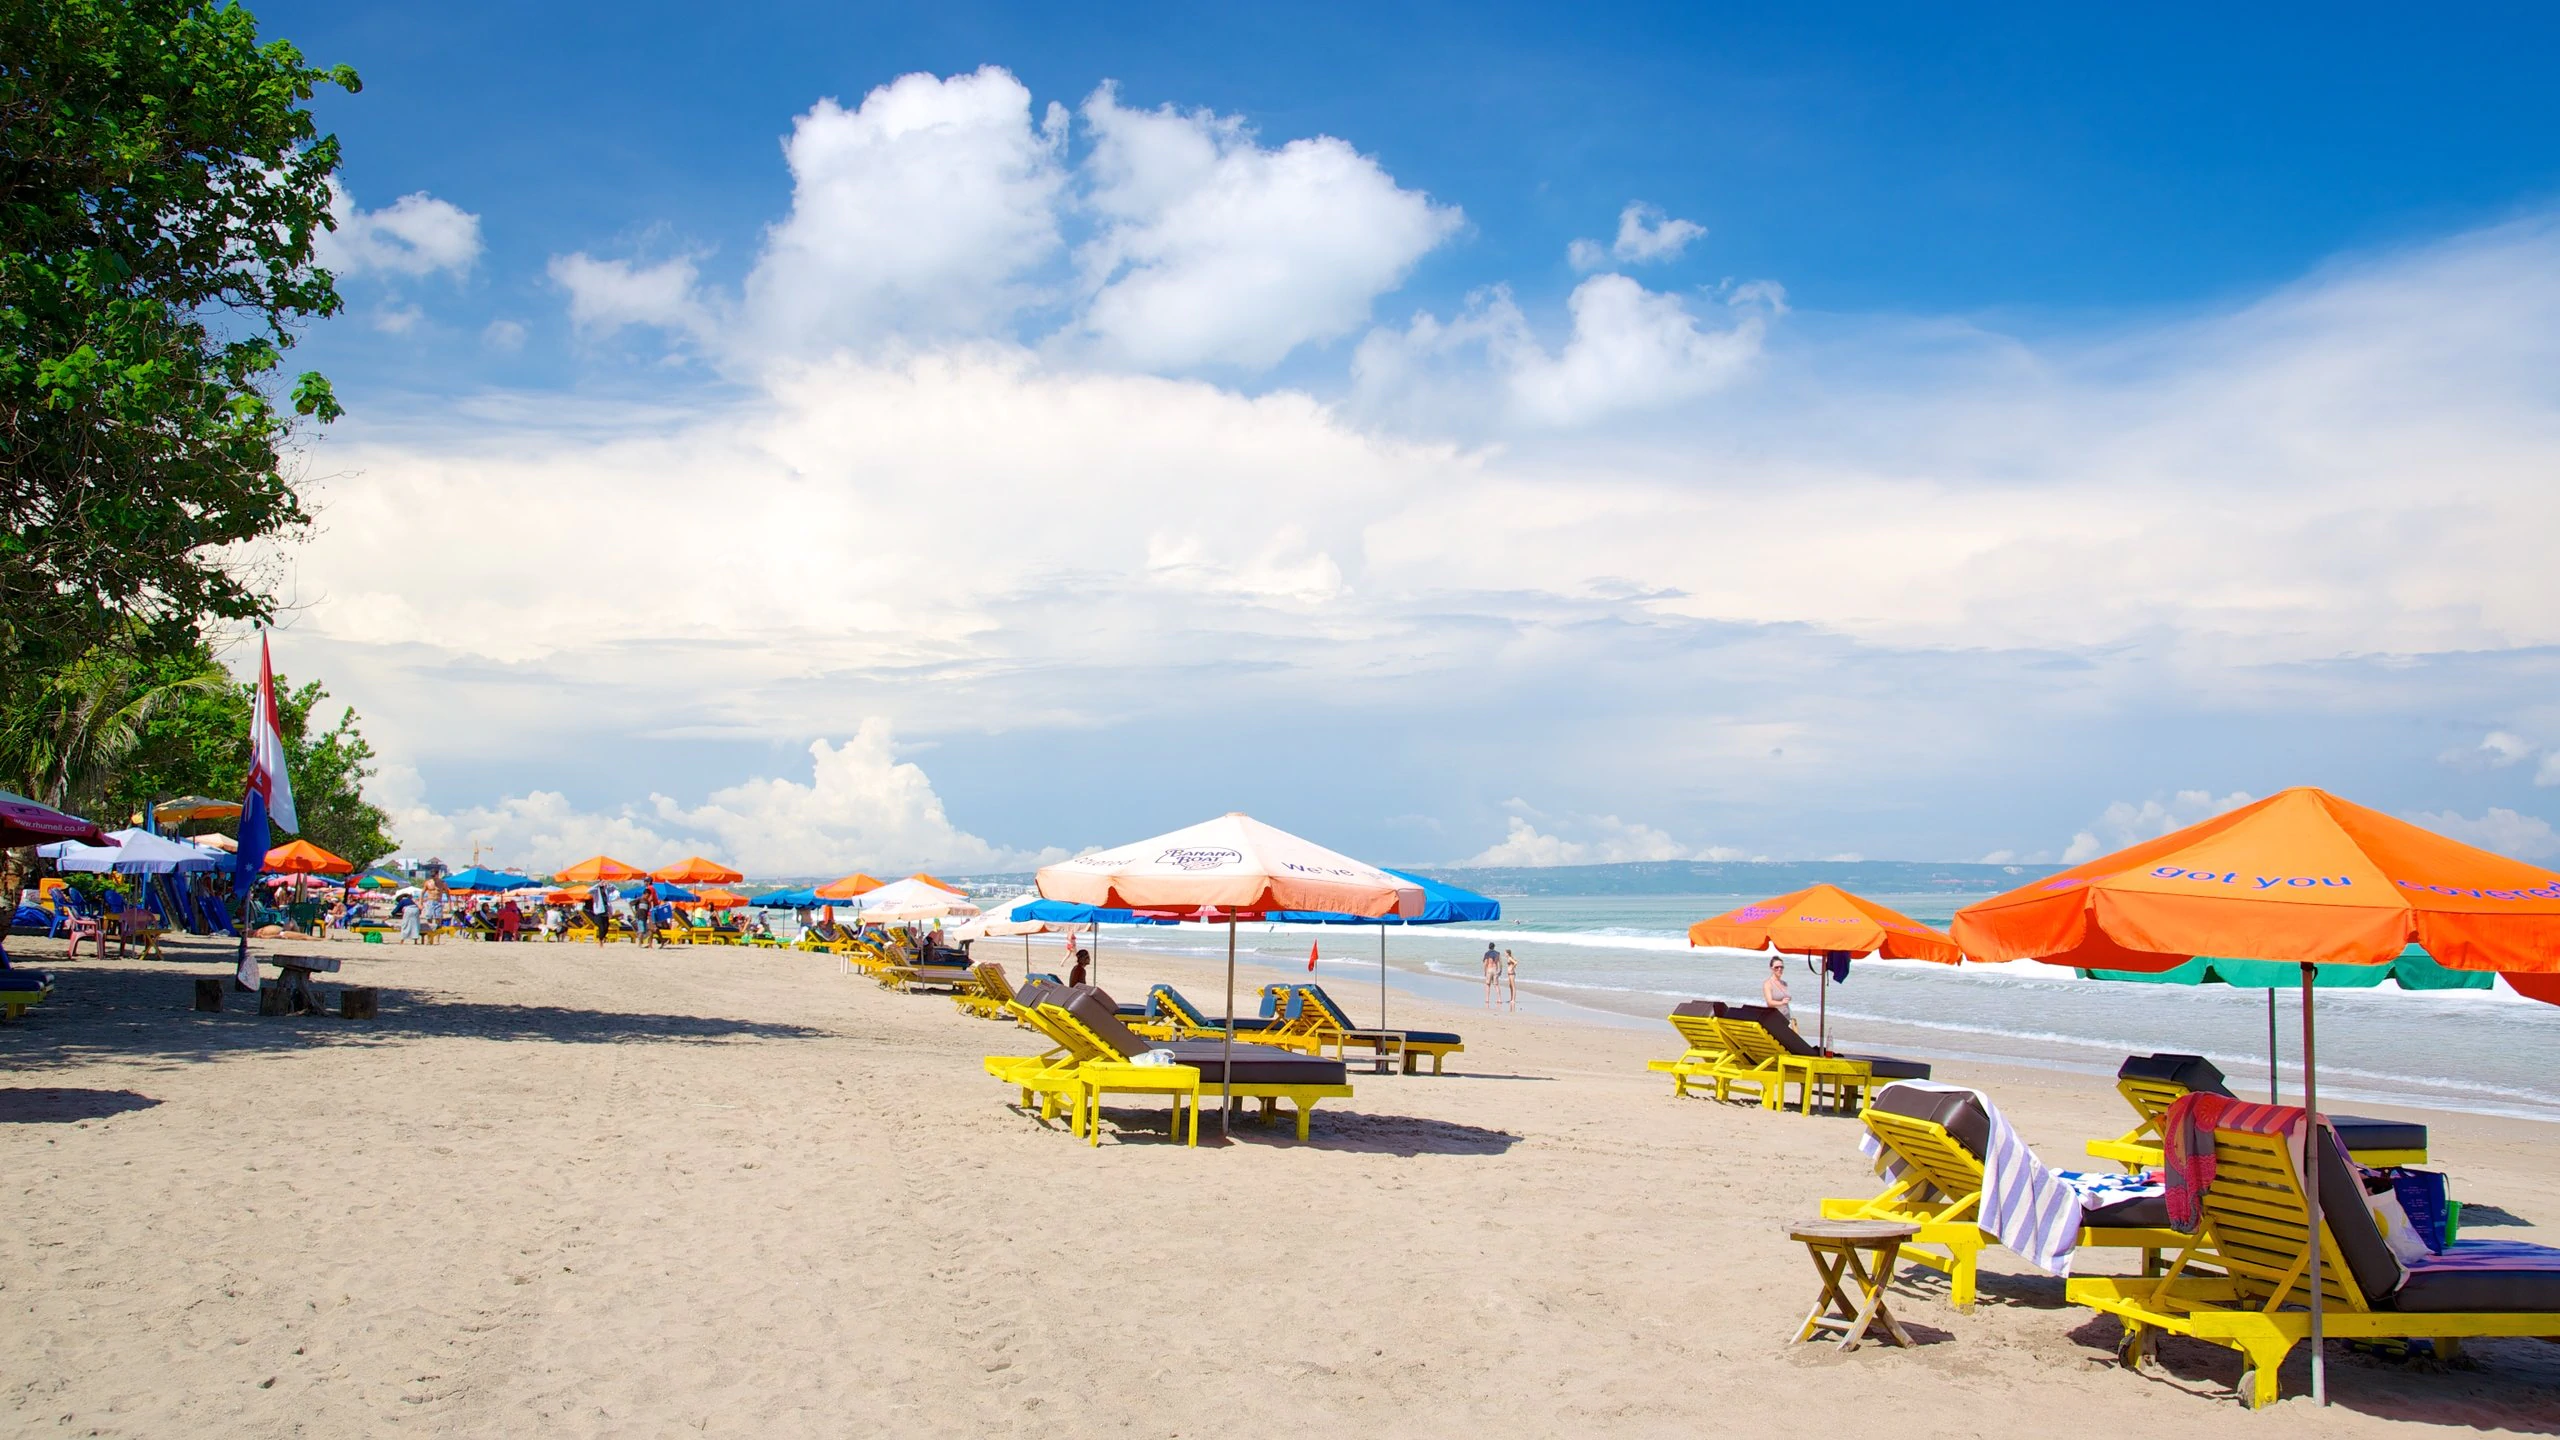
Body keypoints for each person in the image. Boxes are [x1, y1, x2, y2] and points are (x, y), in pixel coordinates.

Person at [1762, 955, 1792, 1021]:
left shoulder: (1784, 983)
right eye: (1776, 967)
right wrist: (1782, 1002)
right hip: (1775, 1019)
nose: (1779, 969)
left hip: (1787, 1017)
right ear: (1771, 968)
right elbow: (1769, 1003)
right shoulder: (1768, 984)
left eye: (1781, 967)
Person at [1482, 942, 1501, 1008]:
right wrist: (1500, 970)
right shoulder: (1497, 953)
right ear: (1494, 947)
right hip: (1495, 969)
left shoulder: (1487, 953)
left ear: (1489, 947)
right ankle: (1499, 999)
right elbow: (1499, 963)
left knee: (1488, 985)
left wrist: (1484, 971)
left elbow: (1485, 963)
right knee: (1496, 985)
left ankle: (1487, 999)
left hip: (1489, 969)